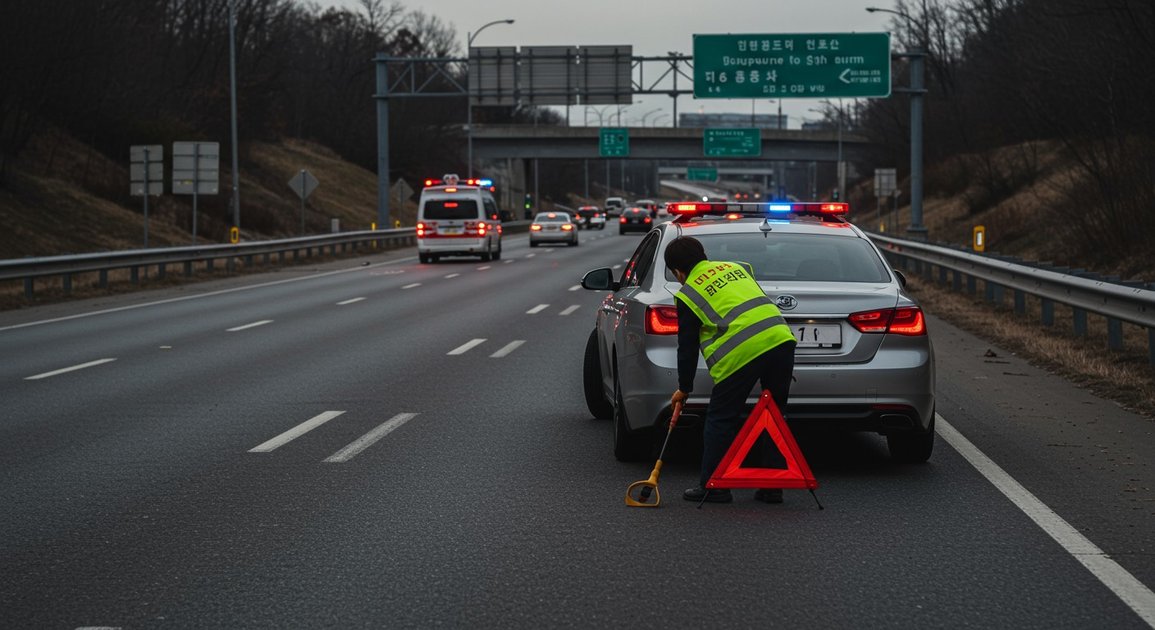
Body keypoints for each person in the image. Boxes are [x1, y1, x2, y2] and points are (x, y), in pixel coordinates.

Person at [665, 236, 797, 504]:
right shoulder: (737, 268)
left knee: (721, 417)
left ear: (678, 271)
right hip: (780, 340)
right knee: (774, 411)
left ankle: (714, 486)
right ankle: (772, 487)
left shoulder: (688, 294)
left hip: (743, 351)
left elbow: (687, 348)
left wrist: (684, 388)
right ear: (703, 255)